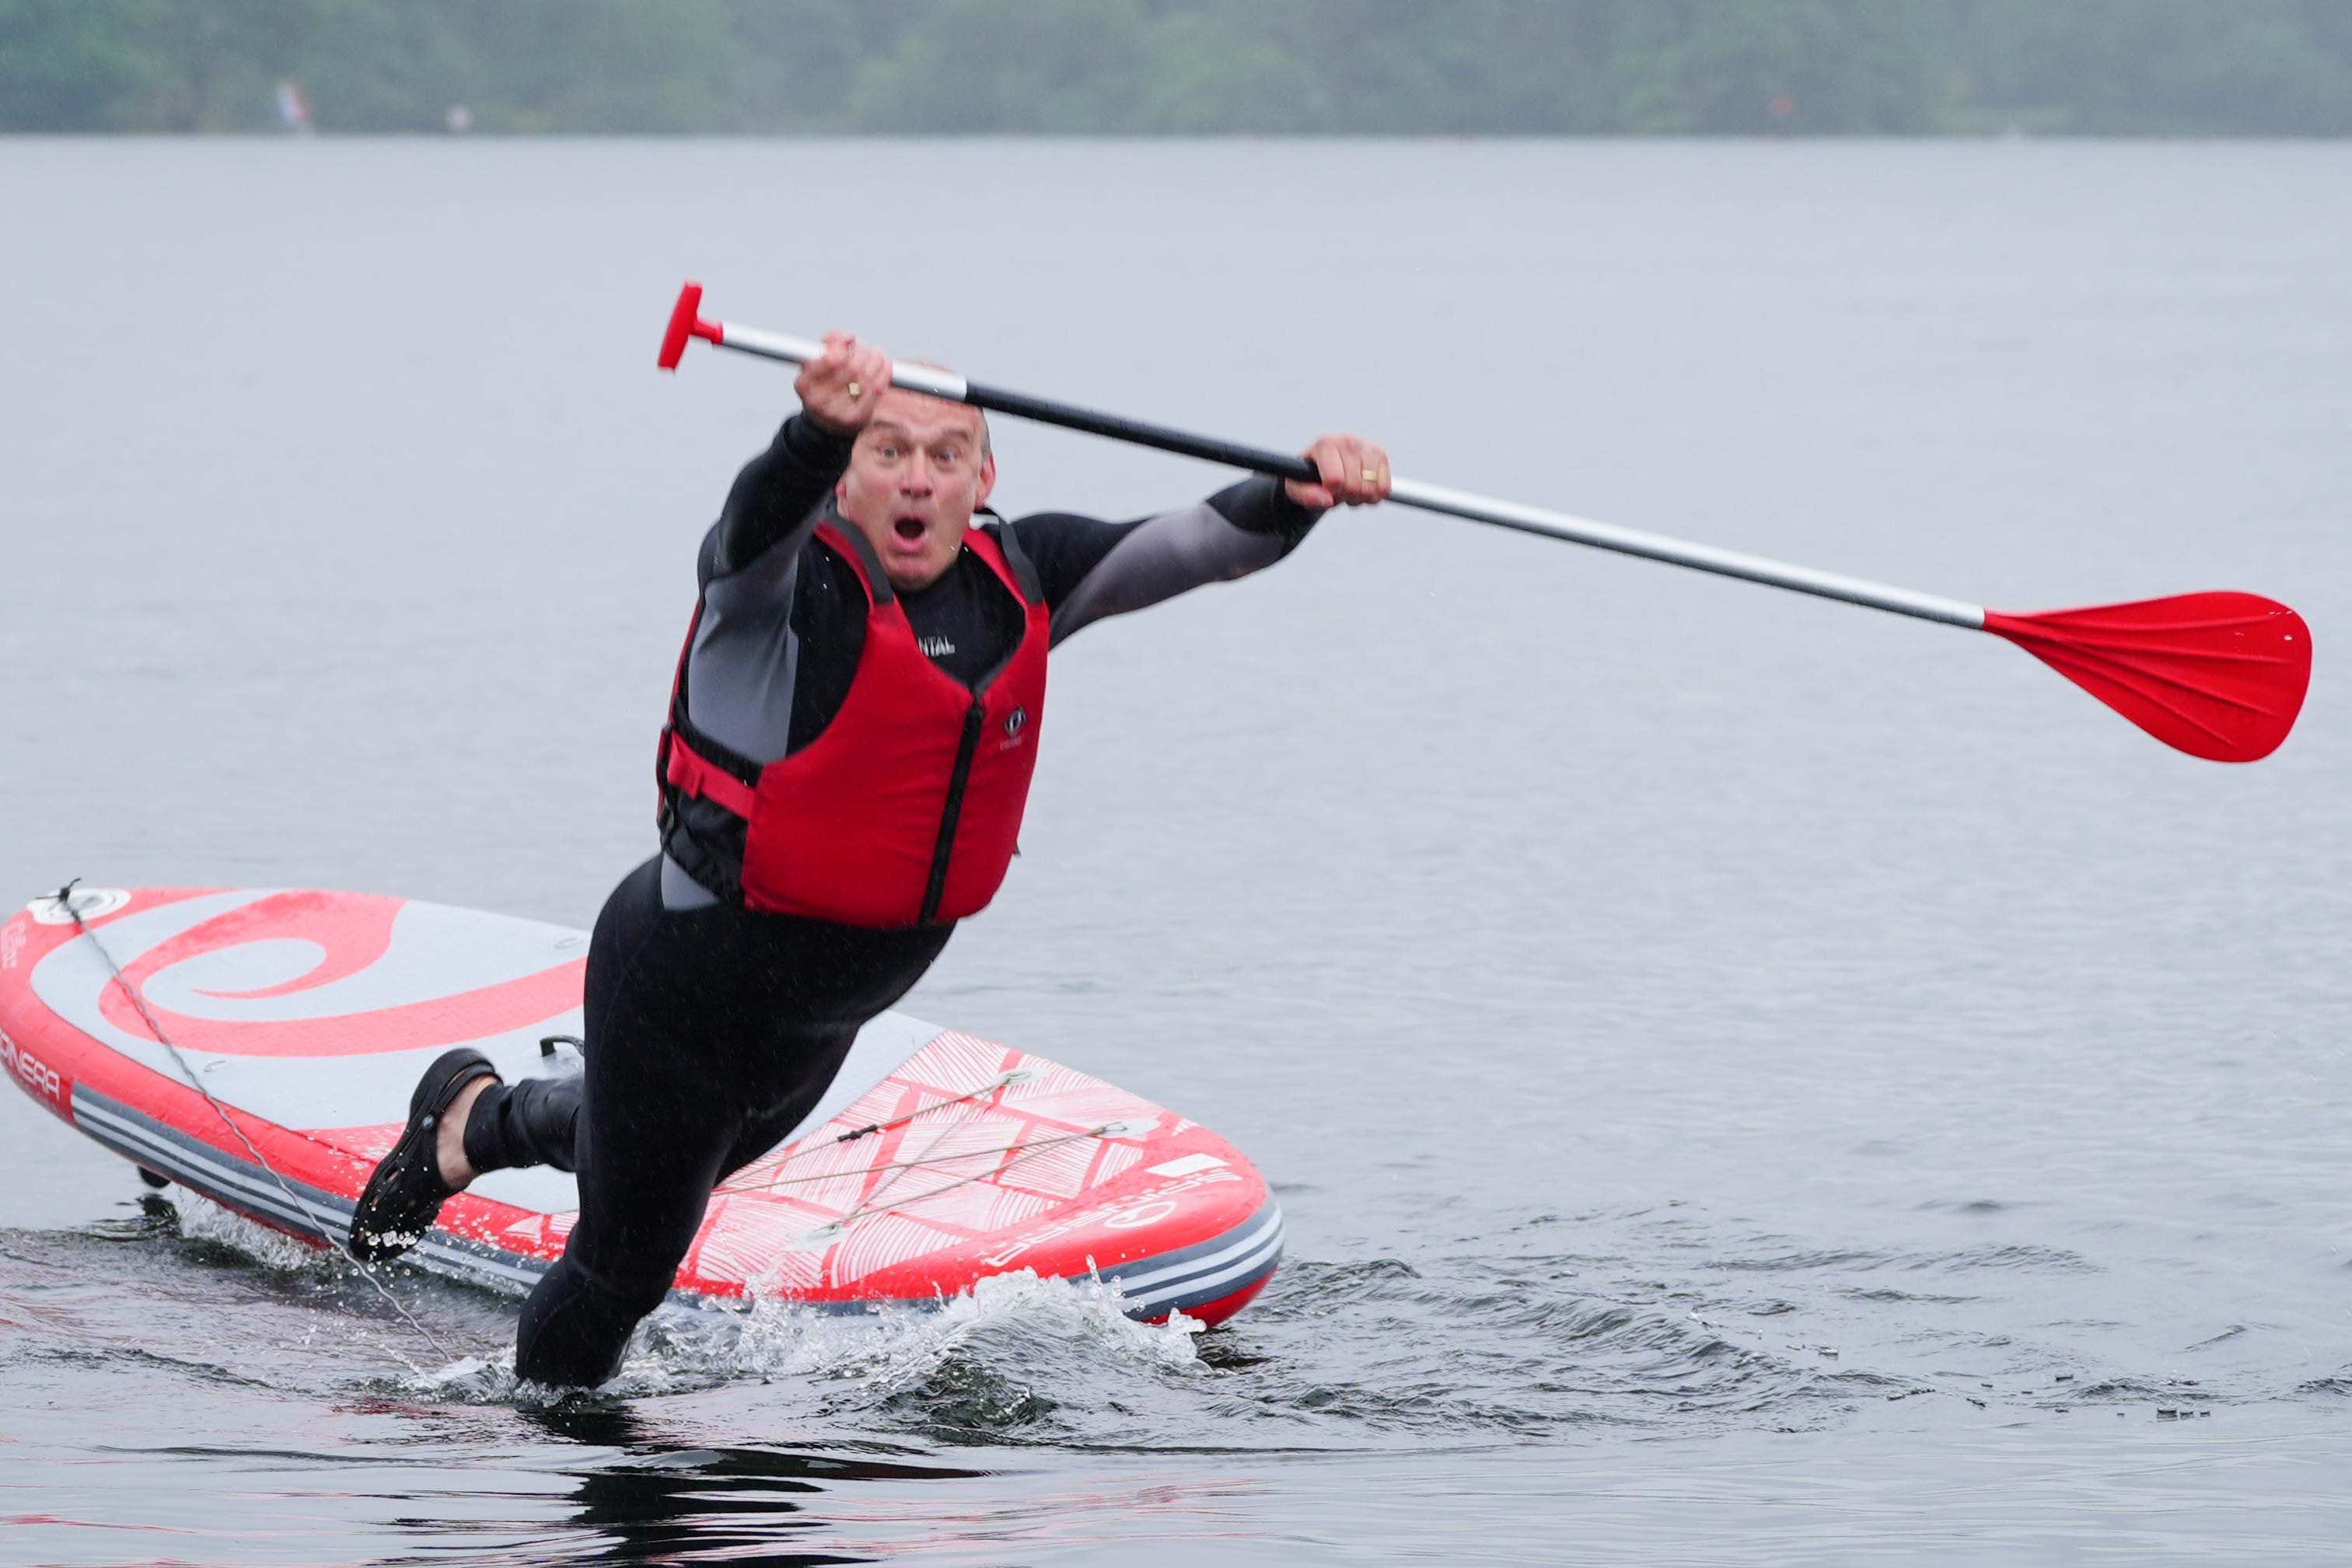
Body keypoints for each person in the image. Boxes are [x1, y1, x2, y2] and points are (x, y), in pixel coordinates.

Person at [350, 333, 1391, 1385]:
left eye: (946, 455)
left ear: (982, 479)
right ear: (847, 474)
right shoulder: (780, 590)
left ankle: (468, 1122)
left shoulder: (1021, 580)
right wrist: (810, 433)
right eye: (887, 450)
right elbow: (744, 531)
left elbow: (1199, 541)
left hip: (815, 1029)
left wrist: (1301, 491)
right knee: (623, 1266)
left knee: (653, 1154)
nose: (917, 477)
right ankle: (564, 1465)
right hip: (680, 981)